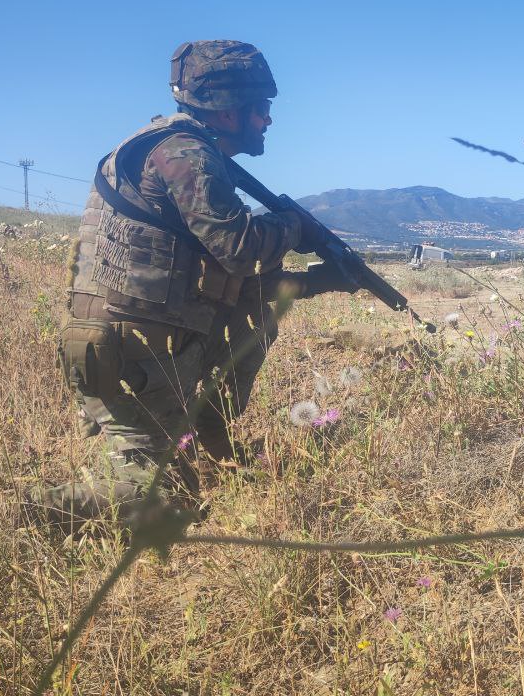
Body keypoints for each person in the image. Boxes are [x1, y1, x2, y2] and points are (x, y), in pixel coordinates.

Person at [22, 40, 358, 527]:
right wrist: (293, 227)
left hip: (137, 348)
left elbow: (243, 286)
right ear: (226, 112)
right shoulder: (185, 154)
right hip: (131, 357)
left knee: (257, 315)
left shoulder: (174, 148)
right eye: (261, 109)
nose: (268, 120)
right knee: (151, 502)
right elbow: (239, 248)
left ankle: (212, 439)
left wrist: (325, 281)